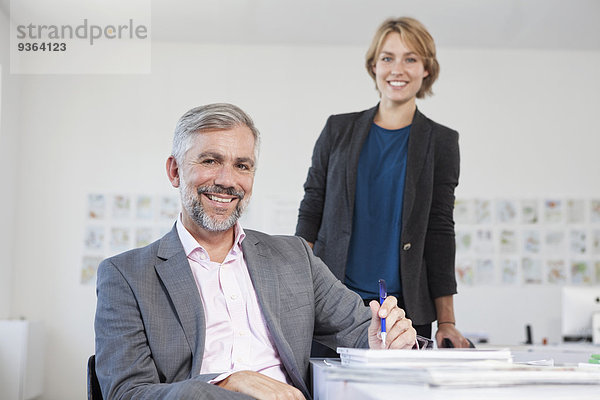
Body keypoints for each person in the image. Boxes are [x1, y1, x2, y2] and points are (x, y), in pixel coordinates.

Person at [94, 103, 419, 400]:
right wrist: (228, 382)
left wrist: (382, 340)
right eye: (210, 160)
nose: (227, 180)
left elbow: (361, 331)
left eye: (242, 166)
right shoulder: (126, 276)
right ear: (175, 171)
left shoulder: (295, 257)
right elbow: (126, 393)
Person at [295, 17, 470, 352]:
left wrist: (446, 320)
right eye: (388, 58)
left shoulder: (441, 142)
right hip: (332, 304)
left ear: (426, 69)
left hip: (405, 313)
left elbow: (440, 230)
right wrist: (297, 285)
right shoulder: (338, 130)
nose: (397, 69)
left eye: (411, 58)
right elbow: (312, 204)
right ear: (374, 66)